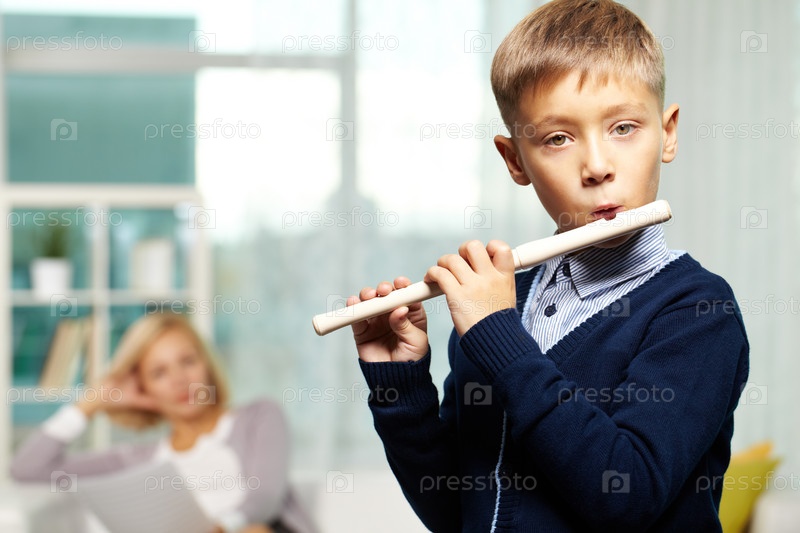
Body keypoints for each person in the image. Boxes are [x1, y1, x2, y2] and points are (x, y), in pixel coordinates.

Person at [347, 0, 749, 531]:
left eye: (624, 127)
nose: (598, 167)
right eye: (558, 138)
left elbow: (626, 496)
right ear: (515, 160)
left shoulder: (699, 312)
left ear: (667, 132)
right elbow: (459, 512)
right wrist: (400, 384)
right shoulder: (497, 304)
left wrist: (499, 337)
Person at [11, 312, 316, 533]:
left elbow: (264, 499)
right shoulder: (134, 460)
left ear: (207, 365)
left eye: (188, 361)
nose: (179, 380)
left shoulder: (258, 417)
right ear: (143, 388)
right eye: (159, 373)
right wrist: (91, 403)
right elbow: (27, 469)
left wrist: (222, 528)